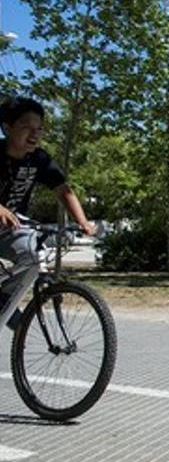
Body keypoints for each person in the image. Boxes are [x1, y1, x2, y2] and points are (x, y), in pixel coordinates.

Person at [0, 97, 96, 329]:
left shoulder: (39, 159)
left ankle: (5, 301)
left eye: (39, 129)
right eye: (26, 127)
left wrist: (83, 221)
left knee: (33, 257)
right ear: (7, 127)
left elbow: (64, 190)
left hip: (11, 226)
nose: (34, 134)